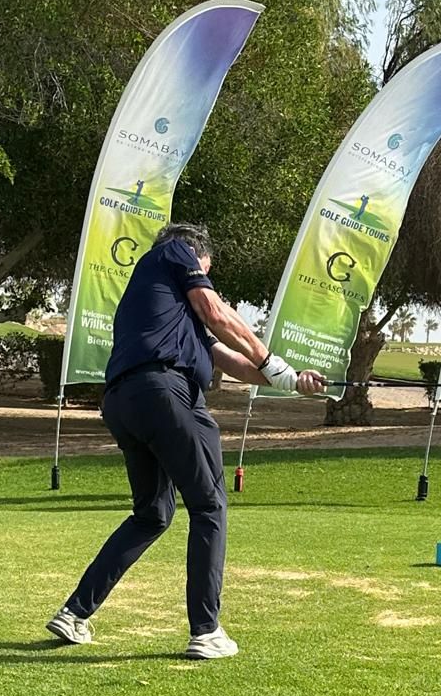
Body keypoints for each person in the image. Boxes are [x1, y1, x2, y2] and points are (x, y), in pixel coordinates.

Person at [47, 223, 325, 659]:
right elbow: (216, 312)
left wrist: (291, 381)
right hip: (164, 393)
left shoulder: (167, 309)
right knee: (209, 505)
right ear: (199, 258)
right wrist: (271, 360)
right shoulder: (176, 251)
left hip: (124, 402)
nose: (206, 279)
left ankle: (74, 612)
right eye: (207, 271)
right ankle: (206, 631)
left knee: (152, 514)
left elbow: (231, 360)